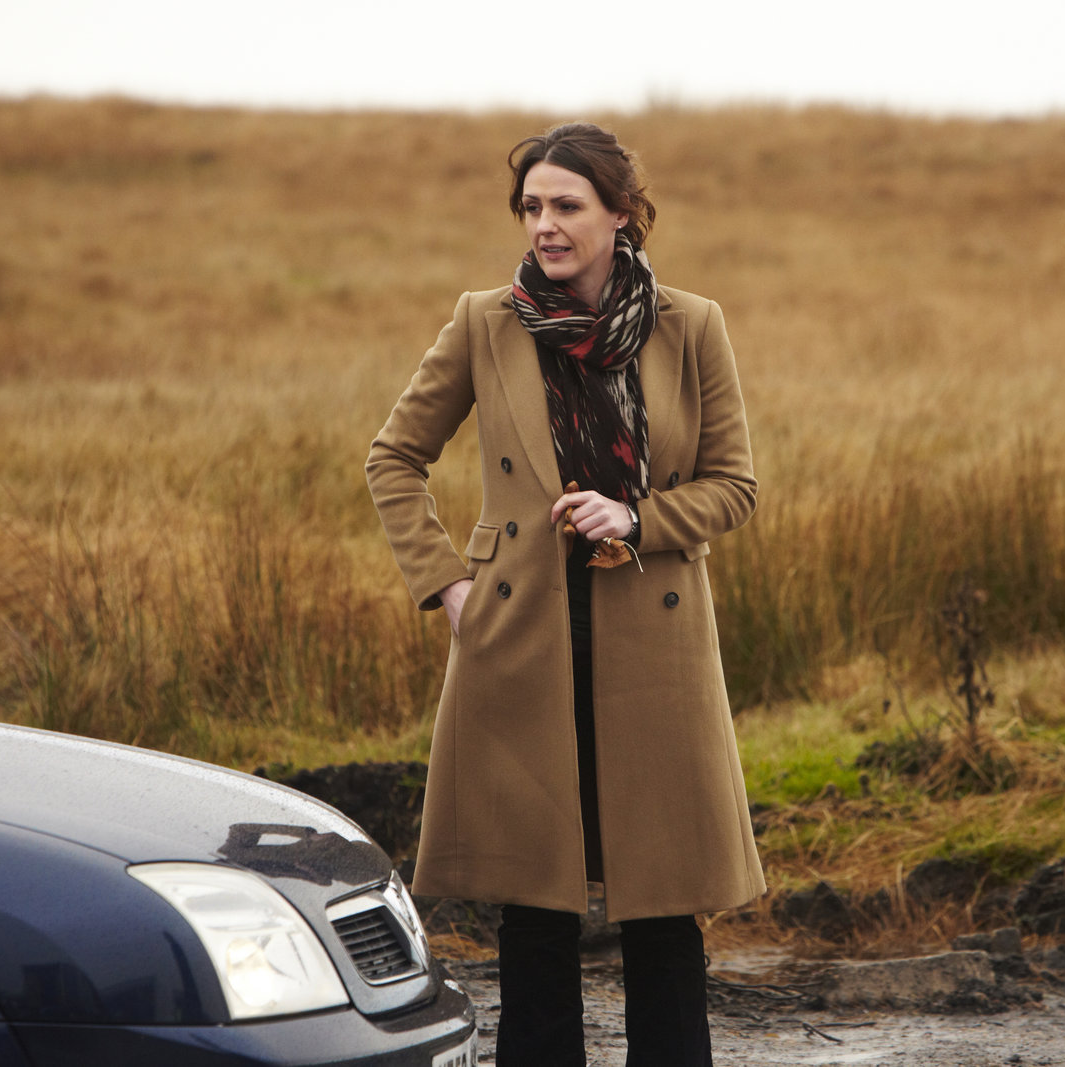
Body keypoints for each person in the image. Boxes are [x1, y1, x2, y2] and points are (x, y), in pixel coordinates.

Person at [366, 122, 764, 1065]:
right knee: (535, 906)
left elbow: (734, 486)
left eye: (567, 205)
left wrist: (638, 517)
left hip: (654, 648)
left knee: (664, 903)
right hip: (522, 641)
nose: (544, 224)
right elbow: (393, 459)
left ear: (621, 215)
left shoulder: (690, 324)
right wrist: (450, 586)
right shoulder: (485, 321)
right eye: (531, 206)